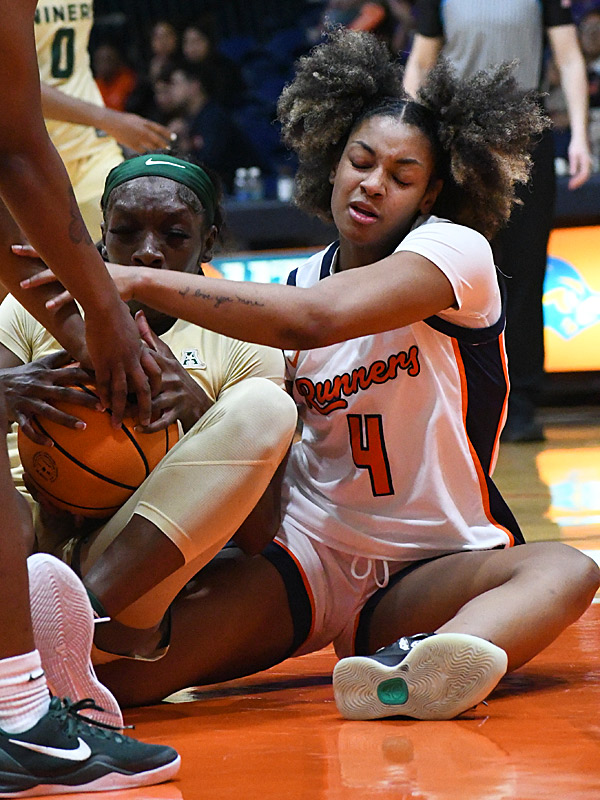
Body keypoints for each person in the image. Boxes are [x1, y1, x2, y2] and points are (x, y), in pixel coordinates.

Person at [25, 30, 600, 720]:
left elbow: (314, 320)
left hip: (434, 562)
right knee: (121, 683)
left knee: (568, 568)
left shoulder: (454, 253)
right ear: (333, 163)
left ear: (430, 194)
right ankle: (37, 671)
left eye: (401, 174)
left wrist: (125, 276)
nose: (372, 183)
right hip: (305, 561)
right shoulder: (292, 285)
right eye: (360, 161)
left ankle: (415, 668)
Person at [7, 154, 297, 667]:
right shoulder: (43, 303)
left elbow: (257, 537)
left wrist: (199, 411)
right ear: (99, 234)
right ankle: (48, 630)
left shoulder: (242, 338)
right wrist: (5, 388)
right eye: (125, 232)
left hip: (118, 576)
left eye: (175, 236)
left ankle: (70, 622)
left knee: (265, 406)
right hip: (20, 543)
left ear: (208, 242)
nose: (147, 253)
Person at [0, 1, 178, 793]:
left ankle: (19, 713)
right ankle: (18, 719)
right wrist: (101, 315)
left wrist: (82, 323)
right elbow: (12, 151)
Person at [403, 0, 593, 442]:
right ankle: (455, 397)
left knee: (525, 272)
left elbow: (568, 57)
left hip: (525, 133)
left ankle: (522, 402)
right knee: (455, 274)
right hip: (460, 136)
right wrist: (412, 132)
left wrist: (580, 136)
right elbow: (420, 63)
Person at [34, 0, 174, 243]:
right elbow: (11, 86)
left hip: (88, 148)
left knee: (141, 233)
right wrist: (108, 120)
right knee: (24, 276)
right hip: (25, 152)